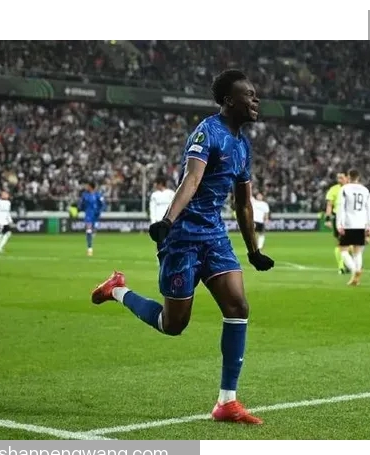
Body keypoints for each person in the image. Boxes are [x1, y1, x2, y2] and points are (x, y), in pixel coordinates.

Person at [90, 70, 274, 424]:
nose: (256, 99)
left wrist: (253, 251)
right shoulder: (208, 132)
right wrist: (168, 220)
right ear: (228, 100)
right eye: (249, 94)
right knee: (173, 324)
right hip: (184, 236)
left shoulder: (243, 145)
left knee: (238, 305)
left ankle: (227, 402)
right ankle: (117, 290)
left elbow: (243, 203)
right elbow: (192, 178)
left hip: (214, 236)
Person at [336, 168, 370, 286]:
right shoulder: (365, 191)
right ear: (358, 177)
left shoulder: (344, 189)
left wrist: (339, 224)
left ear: (348, 177)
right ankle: (356, 277)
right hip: (361, 224)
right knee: (357, 252)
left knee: (343, 250)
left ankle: (355, 270)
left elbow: (341, 207)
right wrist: (369, 225)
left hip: (348, 223)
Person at [324, 173, 349, 274]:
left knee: (351, 243)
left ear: (347, 178)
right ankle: (341, 266)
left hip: (351, 218)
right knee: (340, 243)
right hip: (338, 218)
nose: (339, 180)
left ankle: (347, 263)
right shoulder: (333, 189)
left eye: (341, 177)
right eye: (338, 178)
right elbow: (329, 205)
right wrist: (327, 219)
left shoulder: (352, 189)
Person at [78, 181, 105, 256]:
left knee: (93, 231)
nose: (86, 187)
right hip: (88, 215)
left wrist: (99, 211)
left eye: (88, 186)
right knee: (88, 230)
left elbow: (103, 204)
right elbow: (81, 204)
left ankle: (91, 239)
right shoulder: (85, 195)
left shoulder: (98, 195)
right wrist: (78, 209)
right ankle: (90, 248)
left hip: (96, 215)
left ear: (91, 187)